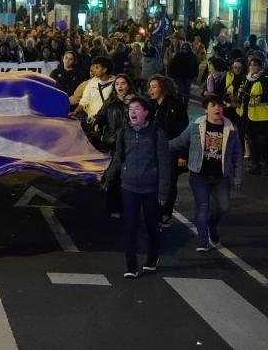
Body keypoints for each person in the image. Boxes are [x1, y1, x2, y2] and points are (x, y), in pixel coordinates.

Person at [103, 96, 171, 278]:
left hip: (151, 188)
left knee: (151, 227)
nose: (132, 112)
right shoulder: (124, 132)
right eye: (130, 109)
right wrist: (108, 180)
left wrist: (164, 190)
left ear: (146, 112)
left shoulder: (157, 132)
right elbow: (118, 159)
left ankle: (151, 259)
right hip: (129, 187)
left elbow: (164, 163)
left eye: (137, 108)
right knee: (130, 227)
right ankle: (130, 266)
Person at [170, 95, 244, 252]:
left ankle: (211, 225)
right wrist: (157, 145)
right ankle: (203, 241)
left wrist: (237, 177)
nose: (218, 108)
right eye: (213, 105)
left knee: (223, 207)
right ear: (205, 109)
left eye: (220, 106)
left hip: (221, 176)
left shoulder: (231, 129)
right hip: (199, 175)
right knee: (202, 206)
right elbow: (179, 142)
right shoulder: (195, 127)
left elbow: (237, 153)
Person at [147, 75, 189, 228]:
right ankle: (157, 212)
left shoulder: (176, 106)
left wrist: (182, 154)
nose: (150, 90)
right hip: (154, 151)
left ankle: (166, 213)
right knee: (156, 182)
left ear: (163, 88)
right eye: (150, 87)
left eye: (154, 86)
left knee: (170, 183)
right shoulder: (150, 106)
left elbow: (182, 131)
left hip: (172, 151)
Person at [93, 73, 135, 216]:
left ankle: (126, 206)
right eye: (117, 84)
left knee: (127, 177)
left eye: (123, 83)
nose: (119, 86)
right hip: (112, 143)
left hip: (130, 144)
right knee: (114, 175)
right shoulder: (110, 102)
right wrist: (98, 122)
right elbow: (101, 115)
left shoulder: (136, 102)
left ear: (129, 85)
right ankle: (113, 207)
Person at [237, 57, 268, 175]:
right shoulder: (247, 78)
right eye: (250, 65)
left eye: (255, 65)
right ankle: (255, 165)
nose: (252, 67)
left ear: (260, 66)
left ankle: (262, 161)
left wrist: (262, 97)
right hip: (246, 115)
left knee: (261, 141)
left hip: (261, 118)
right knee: (251, 141)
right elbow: (243, 95)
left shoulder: (264, 79)